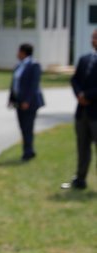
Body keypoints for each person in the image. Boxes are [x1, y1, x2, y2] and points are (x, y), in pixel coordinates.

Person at [63, 29, 97, 190]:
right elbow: (74, 79)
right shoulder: (84, 59)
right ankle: (80, 178)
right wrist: (79, 95)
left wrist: (87, 95)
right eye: (92, 37)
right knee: (82, 147)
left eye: (96, 38)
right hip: (82, 112)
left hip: (96, 112)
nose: (93, 40)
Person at [9, 43, 44, 162]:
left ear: (23, 52)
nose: (17, 54)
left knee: (28, 127)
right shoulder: (19, 65)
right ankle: (28, 150)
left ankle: (28, 152)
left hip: (30, 102)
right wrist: (11, 99)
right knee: (23, 127)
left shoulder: (34, 65)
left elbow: (34, 85)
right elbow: (14, 83)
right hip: (19, 101)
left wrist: (27, 101)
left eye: (19, 51)